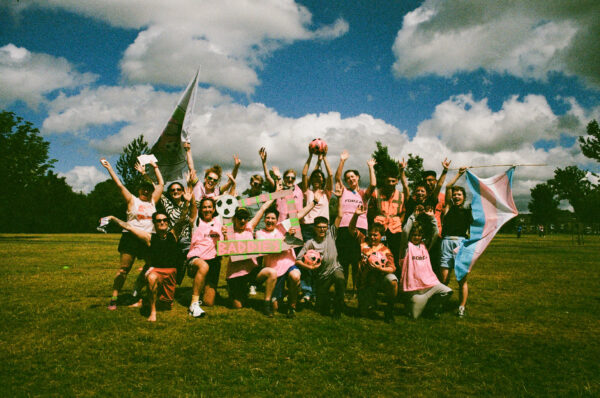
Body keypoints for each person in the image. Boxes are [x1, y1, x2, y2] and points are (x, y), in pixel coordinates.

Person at [107, 203, 191, 321]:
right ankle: (152, 312)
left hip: (171, 273)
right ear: (155, 223)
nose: (162, 222)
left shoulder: (174, 235)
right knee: (151, 277)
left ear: (168, 222)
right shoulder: (149, 237)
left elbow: (182, 219)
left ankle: (145, 302)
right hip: (156, 272)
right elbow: (129, 227)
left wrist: (186, 203)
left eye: (165, 220)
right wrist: (113, 218)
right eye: (158, 221)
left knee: (166, 305)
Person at [100, 157, 164, 310]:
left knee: (150, 267)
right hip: (130, 238)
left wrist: (154, 167)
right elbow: (119, 184)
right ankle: (114, 298)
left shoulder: (153, 201)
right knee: (123, 270)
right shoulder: (132, 200)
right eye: (144, 188)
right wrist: (109, 168)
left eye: (149, 189)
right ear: (139, 190)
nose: (146, 191)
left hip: (148, 239)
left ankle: (136, 293)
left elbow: (161, 184)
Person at [224, 201, 277, 316]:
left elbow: (263, 208)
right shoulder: (230, 232)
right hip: (236, 274)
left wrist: (276, 193)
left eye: (245, 218)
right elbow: (225, 252)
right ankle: (237, 292)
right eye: (239, 218)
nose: (242, 220)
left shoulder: (249, 228)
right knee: (238, 306)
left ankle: (266, 304)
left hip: (251, 271)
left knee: (271, 272)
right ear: (234, 219)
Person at [334, 150, 377, 294]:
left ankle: (358, 291)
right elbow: (337, 177)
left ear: (358, 178)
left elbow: (373, 184)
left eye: (352, 177)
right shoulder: (344, 191)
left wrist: (371, 167)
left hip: (360, 229)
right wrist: (342, 161)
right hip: (344, 228)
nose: (350, 179)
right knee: (344, 262)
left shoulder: (363, 194)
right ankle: (342, 290)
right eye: (348, 178)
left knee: (358, 262)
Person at [349, 205, 398, 323]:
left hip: (379, 280)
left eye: (375, 235)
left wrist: (380, 268)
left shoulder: (385, 250)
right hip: (364, 282)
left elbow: (392, 268)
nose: (372, 237)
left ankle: (389, 310)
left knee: (393, 281)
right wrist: (356, 215)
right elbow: (351, 228)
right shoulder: (363, 241)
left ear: (381, 236)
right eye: (371, 234)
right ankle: (369, 302)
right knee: (363, 314)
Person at [295, 217, 345, 319]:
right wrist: (309, 267)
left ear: (327, 227)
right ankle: (323, 300)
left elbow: (339, 216)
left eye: (324, 227)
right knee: (321, 307)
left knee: (340, 279)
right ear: (314, 228)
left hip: (335, 268)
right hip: (322, 277)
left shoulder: (330, 234)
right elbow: (298, 260)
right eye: (319, 227)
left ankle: (338, 308)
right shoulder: (310, 243)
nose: (322, 229)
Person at [400, 223, 452, 319]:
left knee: (448, 291)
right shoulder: (406, 247)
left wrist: (432, 218)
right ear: (410, 235)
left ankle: (430, 308)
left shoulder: (425, 246)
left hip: (430, 285)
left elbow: (436, 233)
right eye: (414, 235)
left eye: (419, 235)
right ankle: (417, 304)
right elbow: (405, 231)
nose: (416, 237)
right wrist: (413, 216)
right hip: (415, 290)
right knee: (415, 317)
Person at [439, 167, 472, 318]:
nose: (457, 196)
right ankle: (441, 304)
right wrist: (459, 174)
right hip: (446, 242)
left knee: (461, 279)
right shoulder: (447, 208)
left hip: (461, 244)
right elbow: (448, 186)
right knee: (444, 279)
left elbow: (472, 231)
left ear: (464, 197)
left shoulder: (467, 211)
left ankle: (461, 307)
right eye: (455, 194)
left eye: (460, 194)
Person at [185, 197, 224, 318]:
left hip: (213, 261)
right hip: (196, 259)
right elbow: (192, 208)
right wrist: (191, 195)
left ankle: (191, 293)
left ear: (214, 209)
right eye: (204, 207)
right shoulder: (196, 221)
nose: (207, 209)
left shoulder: (219, 222)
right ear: (201, 209)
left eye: (209, 207)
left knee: (209, 302)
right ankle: (194, 303)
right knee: (203, 266)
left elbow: (229, 206)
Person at [369, 162, 407, 269]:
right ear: (384, 181)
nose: (390, 183)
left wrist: (400, 221)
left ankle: (395, 277)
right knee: (379, 252)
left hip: (395, 229)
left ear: (397, 182)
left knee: (395, 253)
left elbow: (404, 211)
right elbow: (370, 211)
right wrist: (375, 225)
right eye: (388, 181)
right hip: (380, 229)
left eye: (393, 181)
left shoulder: (401, 196)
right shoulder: (376, 193)